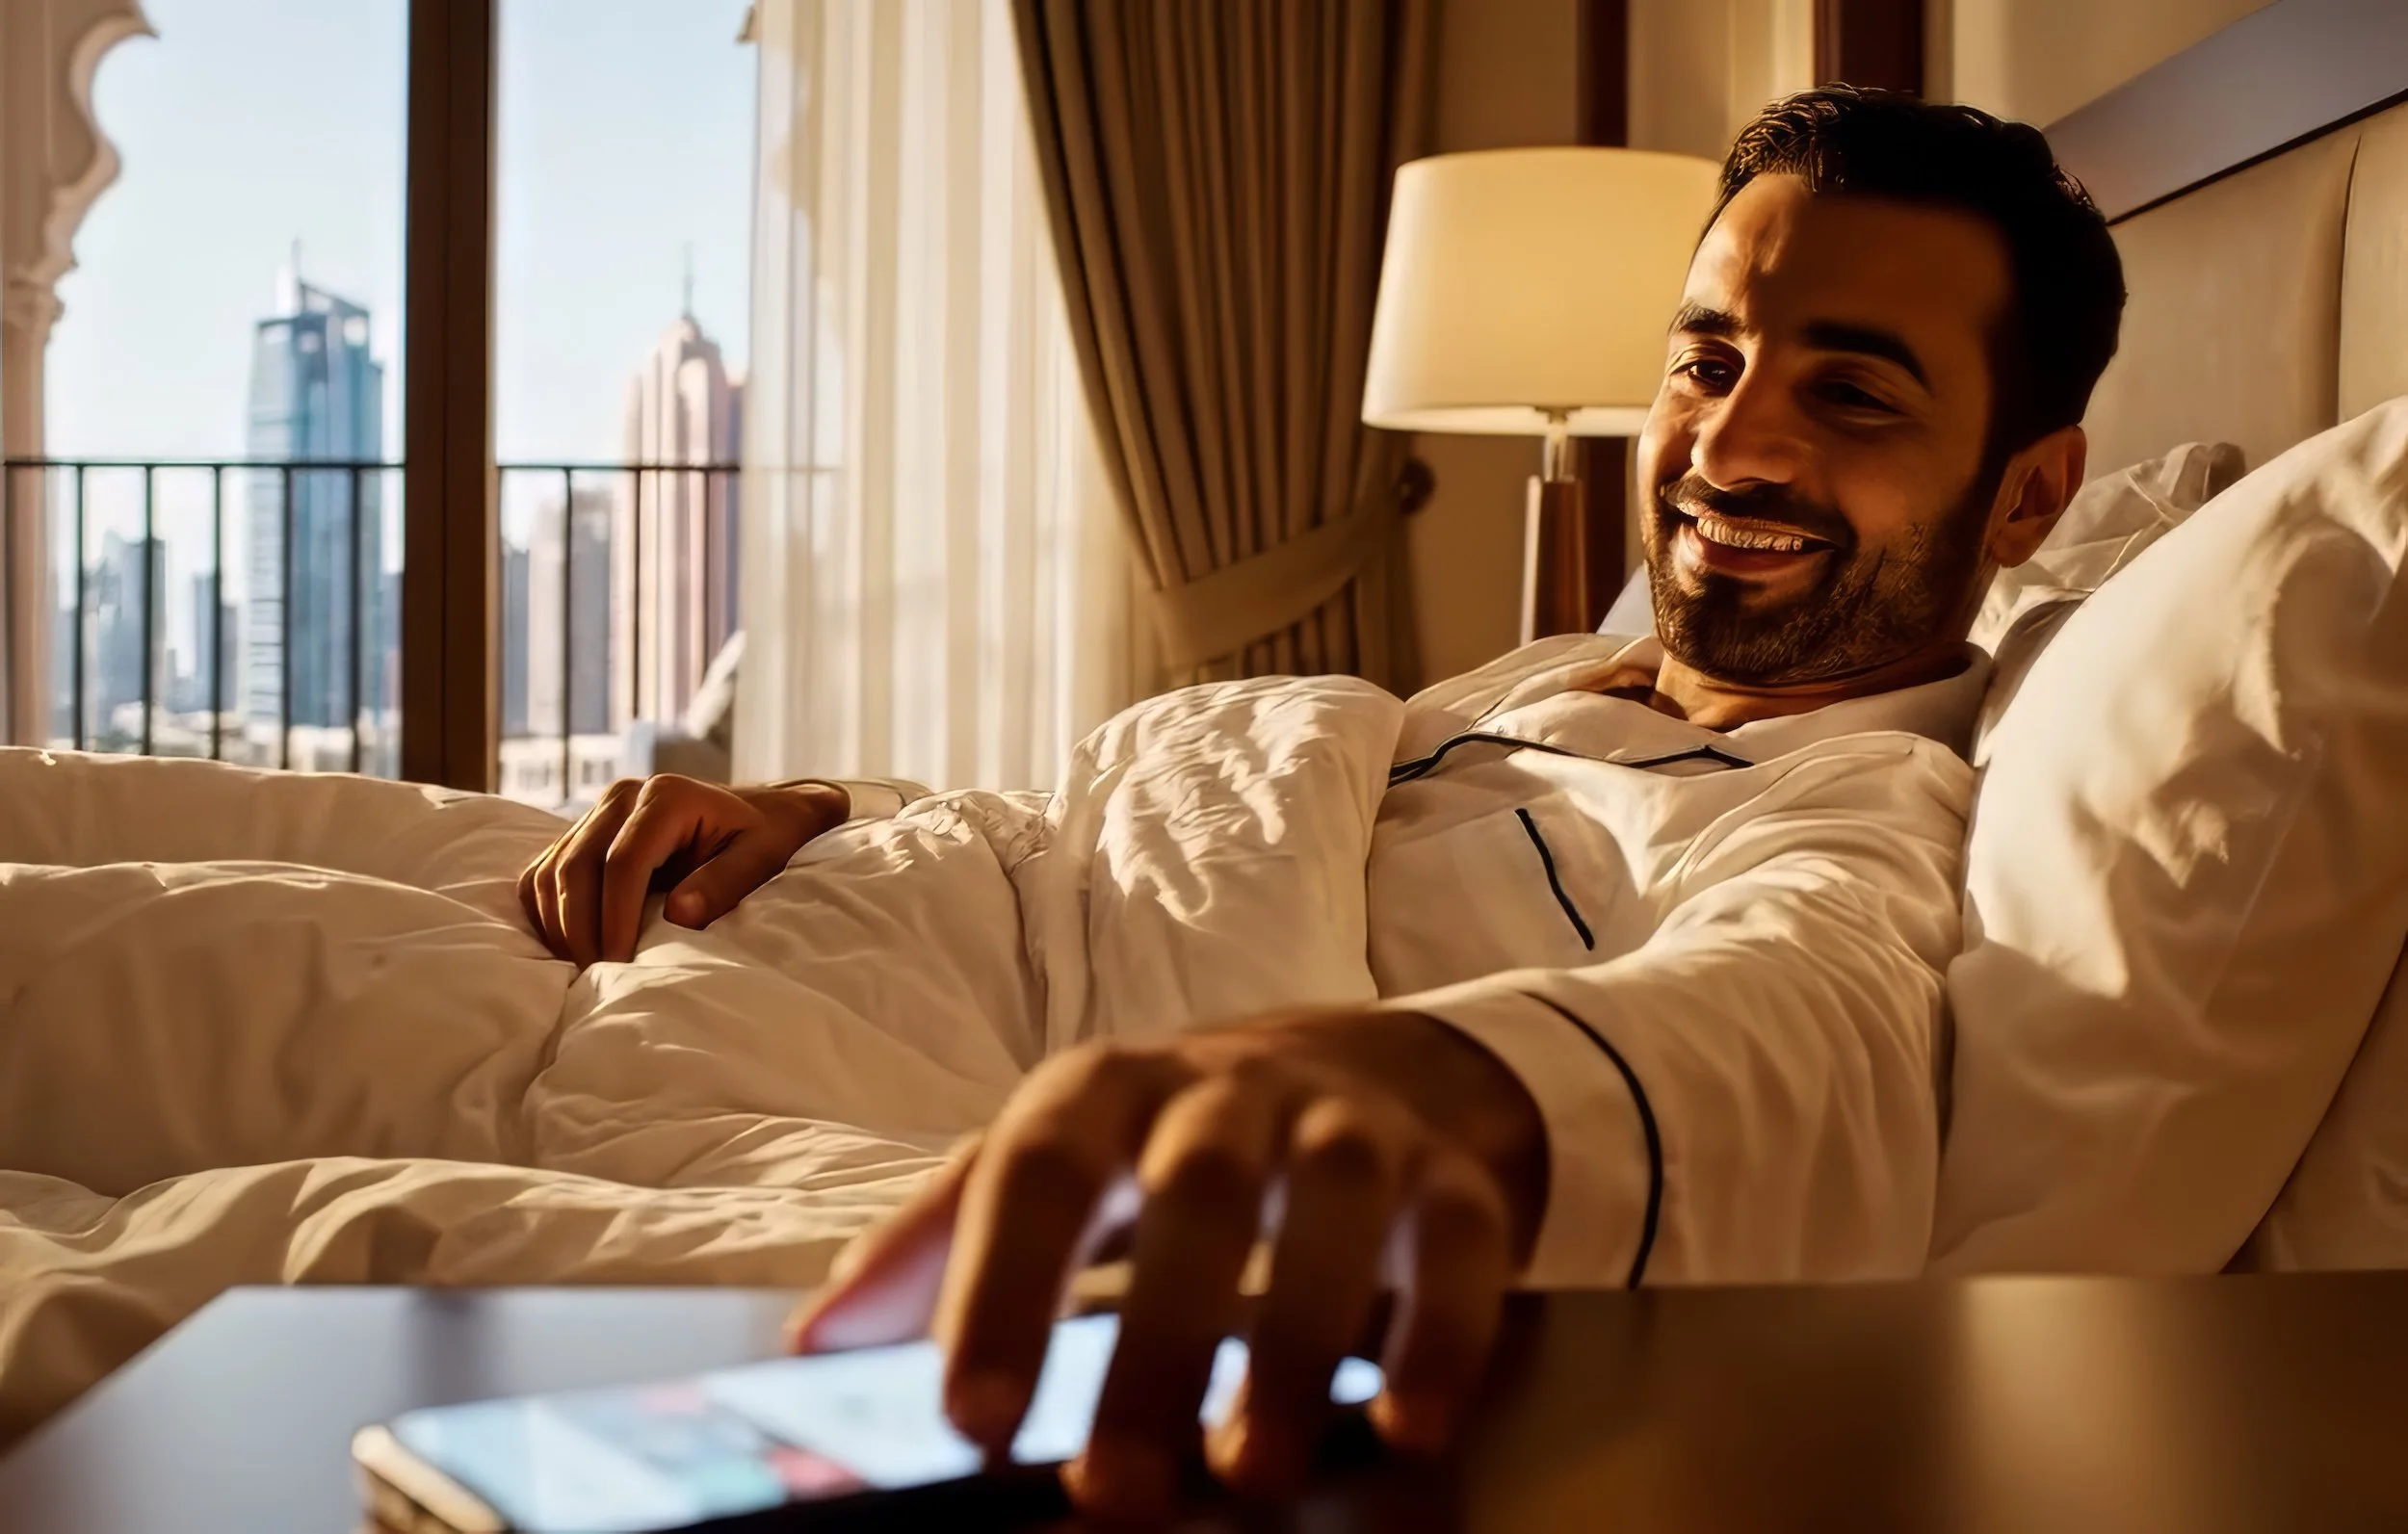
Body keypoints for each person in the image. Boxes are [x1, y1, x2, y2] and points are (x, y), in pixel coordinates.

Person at [522, 87, 2124, 1521]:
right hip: (717, 916)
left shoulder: (1862, 798)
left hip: (780, 1106)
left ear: (2031, 493)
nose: (1729, 440)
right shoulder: (1545, 676)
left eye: (1852, 398)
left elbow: (1795, 1011)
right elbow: (1155, 822)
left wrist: (1443, 1075)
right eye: (1708, 359)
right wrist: (827, 806)